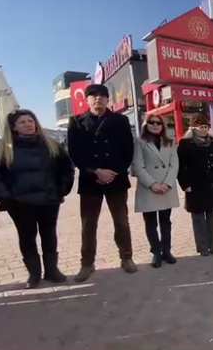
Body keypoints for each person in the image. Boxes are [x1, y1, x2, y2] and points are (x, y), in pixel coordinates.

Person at [0, 109, 74, 289]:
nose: (28, 124)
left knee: (49, 235)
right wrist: (7, 196)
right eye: (22, 122)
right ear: (14, 127)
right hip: (20, 204)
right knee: (27, 238)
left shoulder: (51, 145)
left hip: (49, 200)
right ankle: (34, 274)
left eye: (30, 121)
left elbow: (66, 168)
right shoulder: (2, 150)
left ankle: (52, 271)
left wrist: (62, 189)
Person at [67, 84, 137, 282]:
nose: (98, 99)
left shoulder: (121, 120)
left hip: (116, 178)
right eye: (93, 96)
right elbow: (74, 152)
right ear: (87, 100)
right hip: (91, 179)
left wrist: (113, 172)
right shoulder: (76, 121)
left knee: (121, 221)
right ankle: (87, 264)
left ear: (108, 100)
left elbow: (128, 150)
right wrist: (96, 171)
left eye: (102, 96)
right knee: (88, 224)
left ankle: (127, 257)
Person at [131, 114, 180, 268]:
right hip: (149, 188)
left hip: (166, 188)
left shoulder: (170, 142)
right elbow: (138, 166)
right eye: (151, 122)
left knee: (166, 222)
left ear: (162, 125)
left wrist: (167, 184)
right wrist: (152, 184)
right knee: (151, 223)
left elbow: (174, 165)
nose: (155, 125)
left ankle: (166, 251)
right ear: (146, 124)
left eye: (158, 123)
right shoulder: (140, 142)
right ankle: (156, 253)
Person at [178, 113, 213, 256]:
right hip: (194, 185)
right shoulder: (185, 143)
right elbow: (182, 166)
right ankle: (202, 247)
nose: (204, 130)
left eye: (206, 127)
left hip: (211, 184)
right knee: (198, 219)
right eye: (200, 127)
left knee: (212, 217)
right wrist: (185, 184)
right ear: (193, 129)